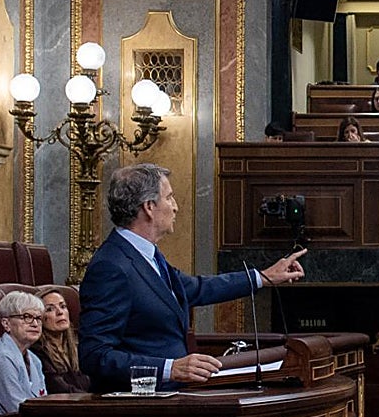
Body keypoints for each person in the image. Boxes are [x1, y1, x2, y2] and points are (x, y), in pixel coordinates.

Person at [79, 164, 305, 392]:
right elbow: (94, 356)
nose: (176, 207)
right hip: (138, 410)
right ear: (149, 207)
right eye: (169, 198)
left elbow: (195, 288)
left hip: (172, 398)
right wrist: (170, 368)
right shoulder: (111, 266)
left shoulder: (147, 254)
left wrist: (262, 277)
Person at [0, 290, 48, 415]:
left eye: (38, 318)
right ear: (6, 323)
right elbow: (16, 407)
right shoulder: (1, 357)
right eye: (27, 317)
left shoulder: (34, 360)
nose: (35, 324)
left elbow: (43, 400)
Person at [33, 287, 90, 394]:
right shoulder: (37, 351)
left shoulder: (79, 344)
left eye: (63, 306)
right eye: (50, 309)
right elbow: (59, 388)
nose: (60, 312)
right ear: (39, 317)